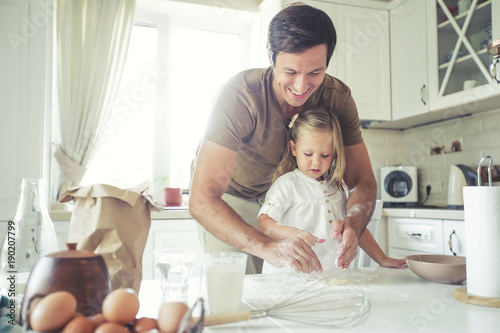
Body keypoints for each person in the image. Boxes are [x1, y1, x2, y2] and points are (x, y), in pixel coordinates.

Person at [189, 3, 377, 274]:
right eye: (290, 72)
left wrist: (353, 223)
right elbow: (202, 199)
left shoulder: (338, 98)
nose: (301, 87)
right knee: (240, 292)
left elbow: (363, 181)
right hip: (229, 198)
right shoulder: (241, 96)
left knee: (289, 291)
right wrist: (267, 247)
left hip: (281, 202)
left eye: (315, 72)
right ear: (270, 57)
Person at [257, 108, 406, 272]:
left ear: (334, 153)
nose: (316, 163)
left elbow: (355, 230)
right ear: (293, 148)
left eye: (325, 155)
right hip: (286, 280)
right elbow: (264, 223)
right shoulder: (287, 184)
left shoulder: (338, 188)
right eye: (308, 154)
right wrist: (295, 234)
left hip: (327, 279)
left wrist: (382, 258)